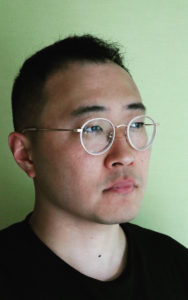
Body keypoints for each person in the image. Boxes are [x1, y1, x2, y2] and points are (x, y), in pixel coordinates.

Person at [1, 34, 188, 300]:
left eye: (135, 125)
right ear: (26, 155)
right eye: (94, 129)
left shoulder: (178, 266)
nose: (125, 155)